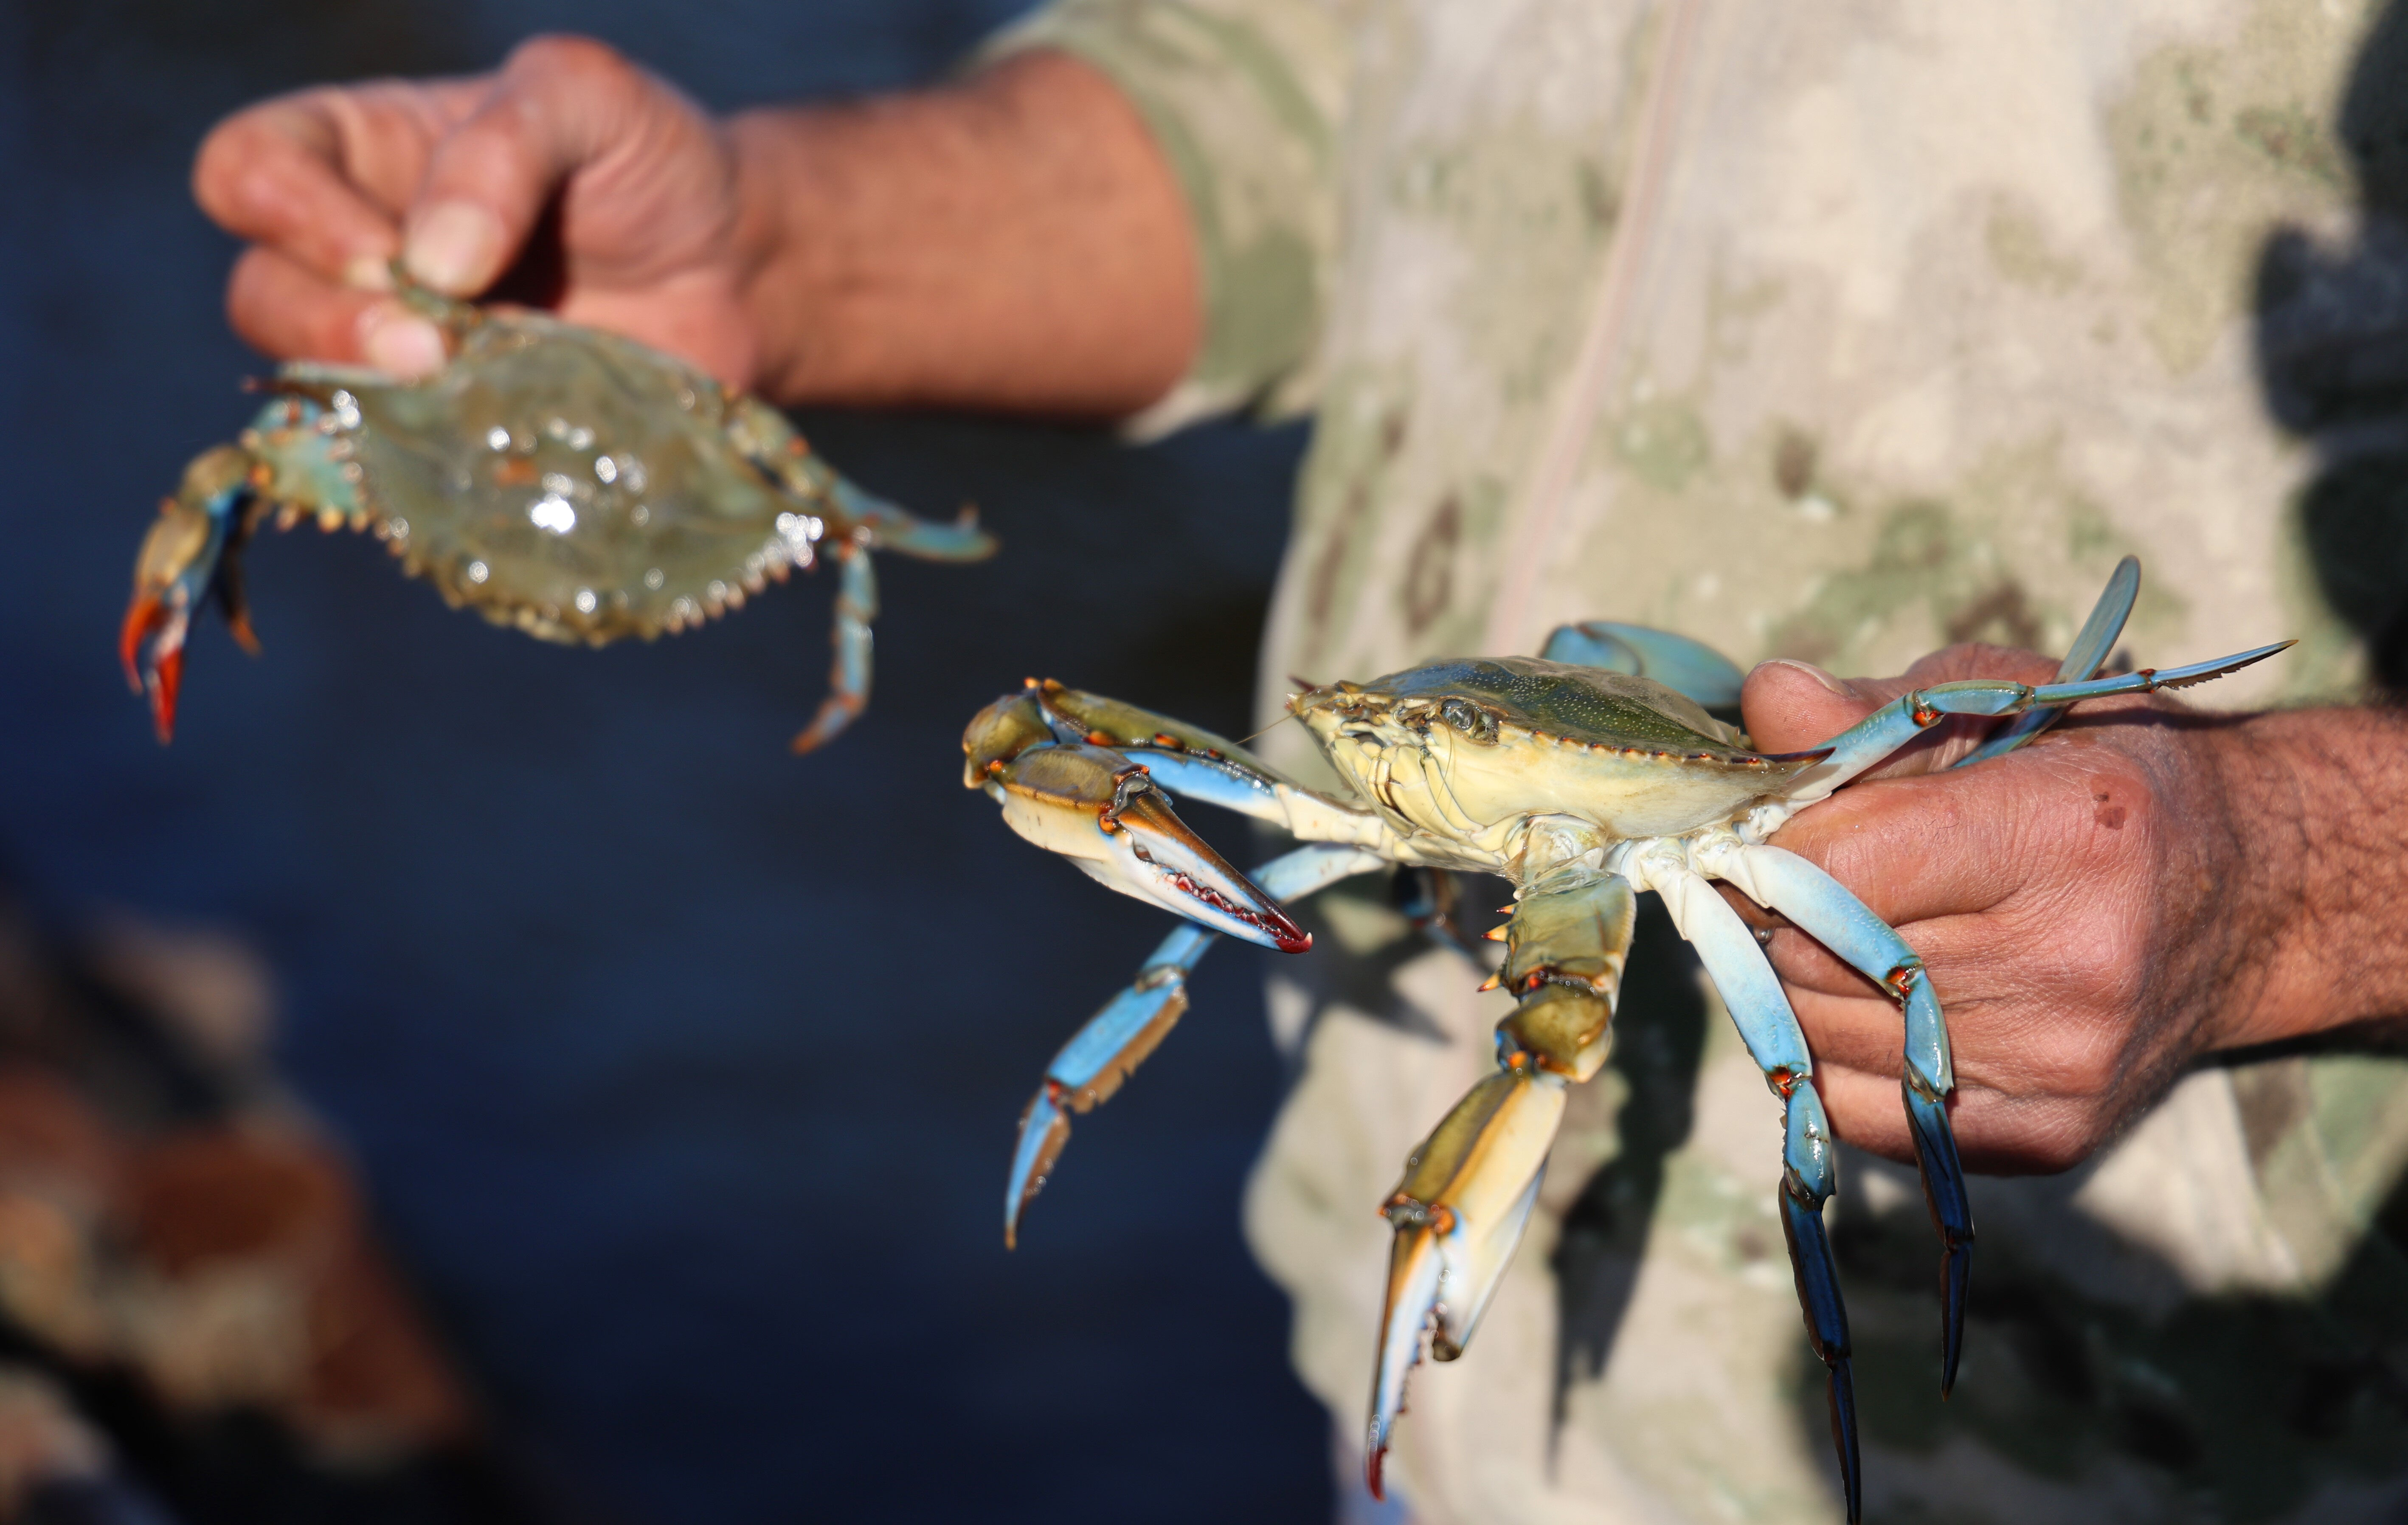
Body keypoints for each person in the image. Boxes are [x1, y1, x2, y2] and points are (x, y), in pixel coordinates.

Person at [193, 4, 2408, 1519]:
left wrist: (2297, 867)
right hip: (1420, 1411)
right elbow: (1328, 84)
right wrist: (770, 248)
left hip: (2182, 1433)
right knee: (1044, 740)